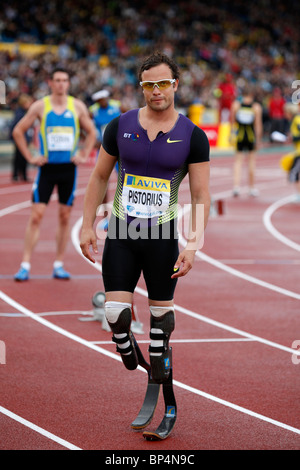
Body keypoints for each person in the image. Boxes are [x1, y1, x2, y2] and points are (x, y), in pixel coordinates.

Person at [80, 51, 210, 389]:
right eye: (149, 85)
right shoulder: (120, 126)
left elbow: (200, 196)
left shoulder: (193, 136)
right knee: (115, 315)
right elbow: (97, 178)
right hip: (122, 230)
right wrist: (86, 225)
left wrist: (192, 246)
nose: (157, 91)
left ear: (175, 85)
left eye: (163, 84)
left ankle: (159, 369)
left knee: (160, 320)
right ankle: (123, 343)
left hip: (162, 235)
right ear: (141, 88)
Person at [13, 68, 96, 281]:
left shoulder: (76, 106)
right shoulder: (41, 105)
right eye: (57, 80)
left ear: (68, 83)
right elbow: (18, 131)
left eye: (64, 80)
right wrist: (31, 156)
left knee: (64, 216)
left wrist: (84, 153)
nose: (60, 84)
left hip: (68, 169)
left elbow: (92, 132)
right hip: (46, 169)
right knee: (36, 215)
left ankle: (58, 264)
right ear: (50, 83)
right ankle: (25, 264)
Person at [230, 85, 263, 197]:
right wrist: (258, 140)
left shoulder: (236, 105)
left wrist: (231, 135)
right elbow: (258, 125)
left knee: (238, 162)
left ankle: (236, 187)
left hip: (240, 136)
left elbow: (232, 122)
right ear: (252, 95)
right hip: (250, 137)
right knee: (251, 162)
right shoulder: (256, 107)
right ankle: (251, 188)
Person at [10, 94, 33, 182]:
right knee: (20, 157)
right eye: (28, 102)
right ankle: (19, 175)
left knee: (20, 157)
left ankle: (20, 175)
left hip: (23, 138)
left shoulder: (23, 113)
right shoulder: (20, 114)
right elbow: (16, 128)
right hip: (20, 139)